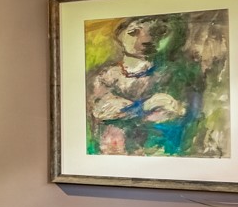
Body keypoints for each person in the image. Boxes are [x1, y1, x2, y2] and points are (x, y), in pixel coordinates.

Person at [87, 14, 210, 156]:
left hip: (160, 152)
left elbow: (176, 113)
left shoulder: (173, 74)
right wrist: (143, 107)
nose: (146, 40)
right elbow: (101, 111)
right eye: (134, 32)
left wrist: (125, 111)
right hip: (112, 154)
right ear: (119, 36)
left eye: (157, 32)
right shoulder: (107, 75)